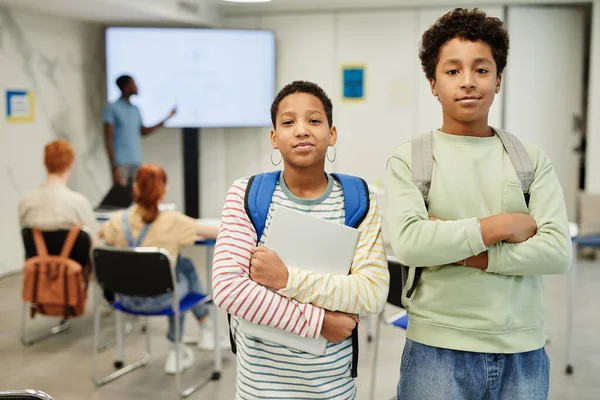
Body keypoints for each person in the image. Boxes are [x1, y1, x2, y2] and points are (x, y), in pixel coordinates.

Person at [384, 8, 572, 400]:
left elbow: (556, 252)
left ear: (498, 80)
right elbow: (410, 244)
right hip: (436, 349)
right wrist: (503, 226)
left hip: (522, 350)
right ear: (433, 83)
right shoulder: (411, 159)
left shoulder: (530, 159)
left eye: (481, 70)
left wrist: (462, 251)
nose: (467, 82)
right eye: (452, 71)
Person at [212, 81, 389, 399]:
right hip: (260, 388)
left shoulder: (358, 199)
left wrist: (285, 278)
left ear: (332, 134)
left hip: (332, 387)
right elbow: (229, 288)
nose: (302, 130)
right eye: (288, 122)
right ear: (274, 137)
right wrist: (319, 322)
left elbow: (373, 292)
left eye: (315, 120)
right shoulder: (247, 195)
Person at [100, 163, 229, 375]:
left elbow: (101, 234)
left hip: (125, 299)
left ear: (135, 188)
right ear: (164, 190)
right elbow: (217, 232)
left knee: (180, 267)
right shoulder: (172, 221)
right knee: (176, 275)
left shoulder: (118, 221)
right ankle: (188, 341)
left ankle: (204, 330)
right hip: (162, 299)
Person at [103, 75, 176, 191]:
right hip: (120, 162)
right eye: (133, 84)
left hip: (135, 161)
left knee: (137, 196)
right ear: (126, 87)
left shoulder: (135, 109)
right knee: (121, 196)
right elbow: (108, 138)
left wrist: (166, 119)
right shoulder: (112, 108)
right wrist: (114, 166)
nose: (136, 87)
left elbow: (143, 131)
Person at [19, 139, 98, 240]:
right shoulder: (78, 203)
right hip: (73, 256)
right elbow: (96, 241)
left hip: (38, 256)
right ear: (70, 165)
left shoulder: (25, 202)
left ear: (45, 163)